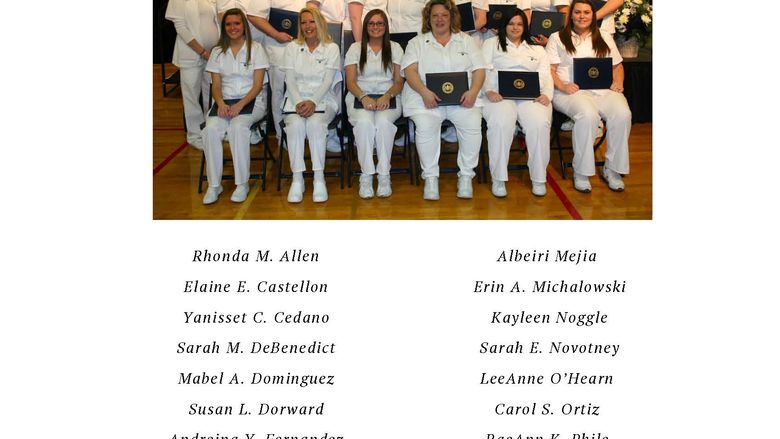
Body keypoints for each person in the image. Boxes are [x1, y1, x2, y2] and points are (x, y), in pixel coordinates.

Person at [401, 0, 486, 200]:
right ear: (428, 19)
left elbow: (479, 69)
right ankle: (430, 178)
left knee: (473, 123)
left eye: (444, 15)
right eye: (435, 16)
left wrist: (473, 91)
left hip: (462, 99)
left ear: (452, 17)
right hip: (426, 98)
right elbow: (410, 71)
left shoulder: (466, 40)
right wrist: (424, 92)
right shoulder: (417, 42)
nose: (440, 20)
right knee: (426, 126)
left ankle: (466, 176)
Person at [546, 0, 630, 192]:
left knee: (623, 114)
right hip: (570, 92)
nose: (582, 16)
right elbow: (549, 69)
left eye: (586, 12)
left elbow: (617, 66)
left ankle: (614, 169)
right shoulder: (557, 37)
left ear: (593, 15)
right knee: (588, 115)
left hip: (603, 90)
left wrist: (618, 82)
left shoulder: (605, 36)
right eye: (577, 12)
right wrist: (563, 85)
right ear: (571, 15)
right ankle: (582, 172)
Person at [481, 8, 552, 197]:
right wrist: (488, 90)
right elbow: (482, 70)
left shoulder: (537, 48)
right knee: (501, 123)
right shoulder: (490, 44)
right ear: (504, 25)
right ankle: (499, 178)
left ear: (525, 26)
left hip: (531, 97)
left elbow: (546, 75)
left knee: (539, 123)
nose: (515, 27)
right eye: (511, 23)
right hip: (498, 96)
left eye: (519, 24)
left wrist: (546, 94)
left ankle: (538, 178)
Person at [201, 8, 269, 204]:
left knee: (238, 128)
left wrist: (240, 105)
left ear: (244, 26)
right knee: (210, 130)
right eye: (229, 24)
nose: (233, 28)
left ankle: (242, 184)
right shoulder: (217, 51)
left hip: (251, 102)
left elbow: (257, 86)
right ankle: (214, 185)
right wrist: (220, 103)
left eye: (237, 23)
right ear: (224, 27)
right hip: (224, 102)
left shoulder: (256, 49)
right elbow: (216, 85)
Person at [280, 7, 342, 203]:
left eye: (312, 21)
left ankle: (318, 178)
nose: (308, 26)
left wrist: (313, 101)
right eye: (304, 22)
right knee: (296, 125)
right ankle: (297, 180)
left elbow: (327, 81)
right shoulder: (292, 48)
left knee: (315, 124)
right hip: (295, 100)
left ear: (320, 23)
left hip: (324, 99)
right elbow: (289, 80)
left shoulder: (331, 48)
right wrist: (300, 101)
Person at [345, 9, 405, 198]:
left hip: (389, 97)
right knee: (364, 124)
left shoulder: (395, 48)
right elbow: (351, 82)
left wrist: (387, 96)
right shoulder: (355, 48)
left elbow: (399, 81)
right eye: (371, 23)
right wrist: (364, 97)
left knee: (383, 124)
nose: (375, 27)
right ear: (365, 27)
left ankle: (384, 174)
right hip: (360, 97)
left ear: (386, 26)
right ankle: (366, 175)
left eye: (380, 23)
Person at [165, 0, 220, 150]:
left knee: (212, 93)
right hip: (192, 54)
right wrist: (201, 52)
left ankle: (212, 130)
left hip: (212, 55)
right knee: (192, 96)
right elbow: (181, 27)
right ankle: (195, 135)